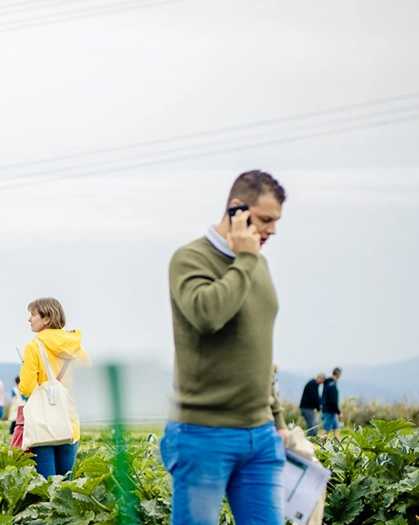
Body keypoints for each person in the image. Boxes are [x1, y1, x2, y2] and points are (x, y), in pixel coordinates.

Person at [162, 170, 290, 525]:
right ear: (237, 209)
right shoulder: (190, 259)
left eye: (276, 221)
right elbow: (207, 314)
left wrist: (277, 419)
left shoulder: (259, 265)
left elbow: (257, 345)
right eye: (265, 219)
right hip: (204, 433)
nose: (272, 230)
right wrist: (245, 260)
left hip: (261, 435)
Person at [18, 297, 90, 478]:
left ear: (46, 319)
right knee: (65, 490)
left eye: (33, 314)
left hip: (43, 425)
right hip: (70, 424)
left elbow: (26, 389)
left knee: (46, 490)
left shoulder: (34, 347)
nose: (29, 319)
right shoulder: (77, 349)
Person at [322, 367, 343, 438]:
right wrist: (338, 412)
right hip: (330, 410)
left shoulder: (327, 382)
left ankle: (338, 445)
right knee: (326, 429)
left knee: (336, 428)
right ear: (338, 374)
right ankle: (321, 444)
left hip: (327, 408)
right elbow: (333, 400)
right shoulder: (332, 385)